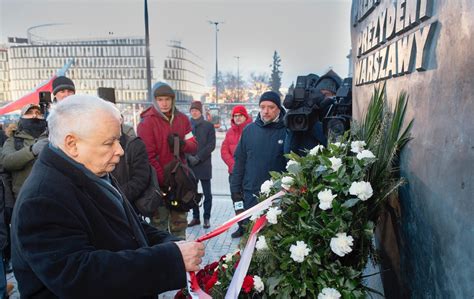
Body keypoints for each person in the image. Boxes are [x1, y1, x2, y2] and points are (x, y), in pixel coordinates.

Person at [11, 95, 205, 298]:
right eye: (109, 143)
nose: (120, 150)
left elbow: (130, 228)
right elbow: (81, 276)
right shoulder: (43, 199)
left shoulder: (89, 170)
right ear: (72, 144)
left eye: (118, 140)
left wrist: (173, 245)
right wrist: (170, 259)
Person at [138, 82, 197, 238]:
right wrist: (164, 180)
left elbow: (193, 145)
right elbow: (148, 156)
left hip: (179, 184)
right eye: (160, 99)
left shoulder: (183, 119)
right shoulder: (147, 122)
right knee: (159, 228)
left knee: (180, 227)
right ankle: (163, 260)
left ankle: (182, 258)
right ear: (155, 101)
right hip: (159, 185)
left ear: (173, 100)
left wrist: (181, 144)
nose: (164, 103)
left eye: (167, 99)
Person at [230, 91, 287, 238]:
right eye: (262, 107)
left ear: (279, 109)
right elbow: (239, 163)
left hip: (276, 198)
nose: (266, 111)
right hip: (251, 196)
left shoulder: (287, 131)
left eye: (271, 107)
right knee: (250, 240)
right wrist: (236, 192)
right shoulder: (249, 130)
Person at [1, 104, 48, 199]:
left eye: (38, 113)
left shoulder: (52, 137)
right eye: (29, 113)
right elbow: (7, 162)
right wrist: (32, 150)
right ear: (21, 118)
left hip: (52, 194)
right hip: (24, 196)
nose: (35, 116)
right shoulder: (13, 140)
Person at [186, 101, 216, 229]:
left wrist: (198, 157)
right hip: (190, 164)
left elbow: (211, 145)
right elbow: (183, 143)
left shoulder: (208, 126)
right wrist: (188, 157)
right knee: (192, 192)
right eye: (192, 110)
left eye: (196, 110)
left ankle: (206, 218)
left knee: (207, 193)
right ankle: (195, 217)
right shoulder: (187, 126)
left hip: (203, 164)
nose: (194, 112)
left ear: (200, 111)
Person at [220, 105, 252, 201]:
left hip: (248, 174)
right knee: (237, 201)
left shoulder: (252, 130)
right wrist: (233, 165)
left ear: (245, 116)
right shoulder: (230, 132)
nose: (237, 118)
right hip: (234, 174)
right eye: (235, 116)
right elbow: (224, 151)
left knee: (249, 201)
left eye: (240, 115)